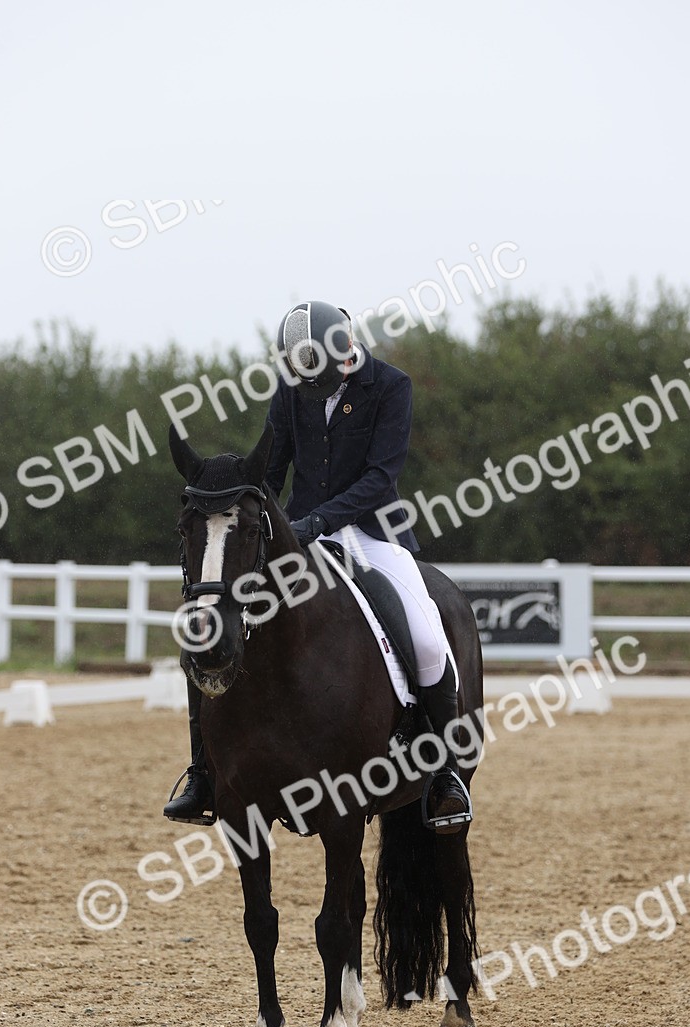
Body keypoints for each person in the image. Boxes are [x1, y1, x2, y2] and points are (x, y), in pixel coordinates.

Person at [164, 300, 472, 829]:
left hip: (372, 533)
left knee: (424, 635)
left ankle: (444, 771)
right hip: (299, 533)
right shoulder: (291, 388)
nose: (312, 389)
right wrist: (258, 514)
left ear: (343, 351)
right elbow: (273, 470)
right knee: (218, 625)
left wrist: (317, 522)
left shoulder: (391, 386)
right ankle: (204, 773)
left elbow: (380, 476)